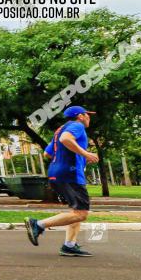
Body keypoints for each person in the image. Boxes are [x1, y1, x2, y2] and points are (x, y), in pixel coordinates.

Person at [24, 106, 99, 256]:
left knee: (75, 211)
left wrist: (68, 159)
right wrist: (86, 154)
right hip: (70, 175)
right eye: (87, 115)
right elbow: (66, 139)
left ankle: (69, 245)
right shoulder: (76, 126)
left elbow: (47, 153)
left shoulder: (59, 130)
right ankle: (38, 225)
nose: (89, 117)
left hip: (56, 173)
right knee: (81, 213)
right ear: (80, 116)